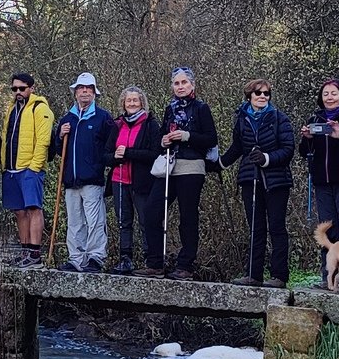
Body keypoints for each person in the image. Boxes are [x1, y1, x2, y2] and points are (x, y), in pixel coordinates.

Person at [222, 78, 294, 288]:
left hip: (276, 180)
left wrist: (267, 158)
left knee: (277, 227)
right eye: (258, 93)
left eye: (266, 93)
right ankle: (254, 275)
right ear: (249, 97)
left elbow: (288, 149)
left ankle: (279, 276)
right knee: (255, 227)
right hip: (250, 178)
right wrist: (218, 163)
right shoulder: (242, 119)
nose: (263, 96)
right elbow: (237, 148)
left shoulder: (280, 118)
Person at [159, 67, 217, 280]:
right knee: (154, 209)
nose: (181, 87)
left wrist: (187, 136)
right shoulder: (169, 109)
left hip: (192, 166)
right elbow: (161, 135)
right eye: (177, 83)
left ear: (192, 85)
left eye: (184, 83)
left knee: (187, 216)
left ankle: (185, 264)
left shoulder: (201, 108)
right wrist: (163, 140)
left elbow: (211, 139)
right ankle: (156, 261)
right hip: (169, 166)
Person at [52, 72, 112, 273]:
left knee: (95, 221)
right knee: (75, 222)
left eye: (89, 88)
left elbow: (109, 148)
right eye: (81, 88)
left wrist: (99, 165)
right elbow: (58, 150)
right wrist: (60, 135)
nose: (85, 91)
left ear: (94, 92)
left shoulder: (103, 118)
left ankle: (96, 257)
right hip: (70, 179)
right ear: (75, 92)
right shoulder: (67, 119)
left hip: (92, 179)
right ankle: (76, 259)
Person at [105, 85, 164, 276]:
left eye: (135, 100)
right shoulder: (117, 125)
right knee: (123, 221)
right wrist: (116, 156)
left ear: (142, 103)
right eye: (128, 100)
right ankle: (125, 259)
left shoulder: (150, 124)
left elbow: (154, 153)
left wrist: (129, 153)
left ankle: (151, 260)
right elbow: (106, 155)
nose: (131, 103)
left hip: (142, 181)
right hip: (119, 180)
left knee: (146, 220)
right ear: (123, 103)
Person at [298, 78, 339, 249]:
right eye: (325, 94)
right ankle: (329, 273)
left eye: (334, 93)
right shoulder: (314, 118)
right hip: (322, 182)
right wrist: (307, 139)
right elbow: (305, 152)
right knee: (327, 228)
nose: (329, 97)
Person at [1, 72, 56, 267]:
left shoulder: (40, 109)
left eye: (22, 88)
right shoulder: (11, 109)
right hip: (11, 168)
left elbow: (43, 140)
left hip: (29, 168)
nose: (18, 92)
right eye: (14, 88)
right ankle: (25, 251)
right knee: (19, 211)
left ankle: (35, 254)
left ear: (31, 88)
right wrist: (4, 164)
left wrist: (34, 166)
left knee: (33, 208)